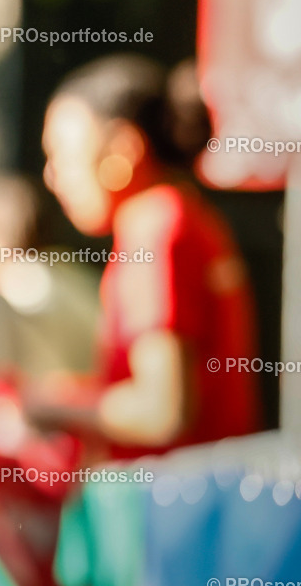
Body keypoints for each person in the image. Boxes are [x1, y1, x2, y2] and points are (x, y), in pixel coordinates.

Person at [28, 54, 261, 459]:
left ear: (123, 150)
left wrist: (47, 403)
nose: (52, 176)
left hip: (176, 506)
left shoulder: (152, 226)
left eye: (62, 154)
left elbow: (162, 411)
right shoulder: (187, 216)